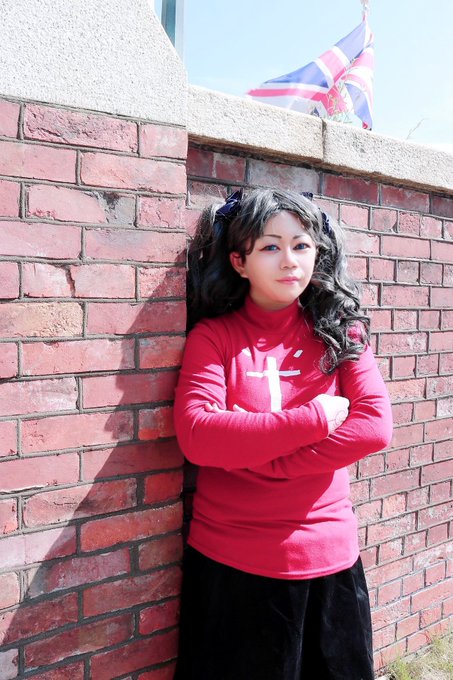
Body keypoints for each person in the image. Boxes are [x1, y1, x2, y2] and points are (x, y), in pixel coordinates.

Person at [173, 188, 393, 680]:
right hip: (234, 565)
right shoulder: (214, 338)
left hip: (329, 562)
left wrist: (256, 454)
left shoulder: (342, 334)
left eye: (301, 245)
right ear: (240, 260)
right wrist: (312, 419)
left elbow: (374, 428)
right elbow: (198, 434)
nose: (289, 260)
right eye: (270, 246)